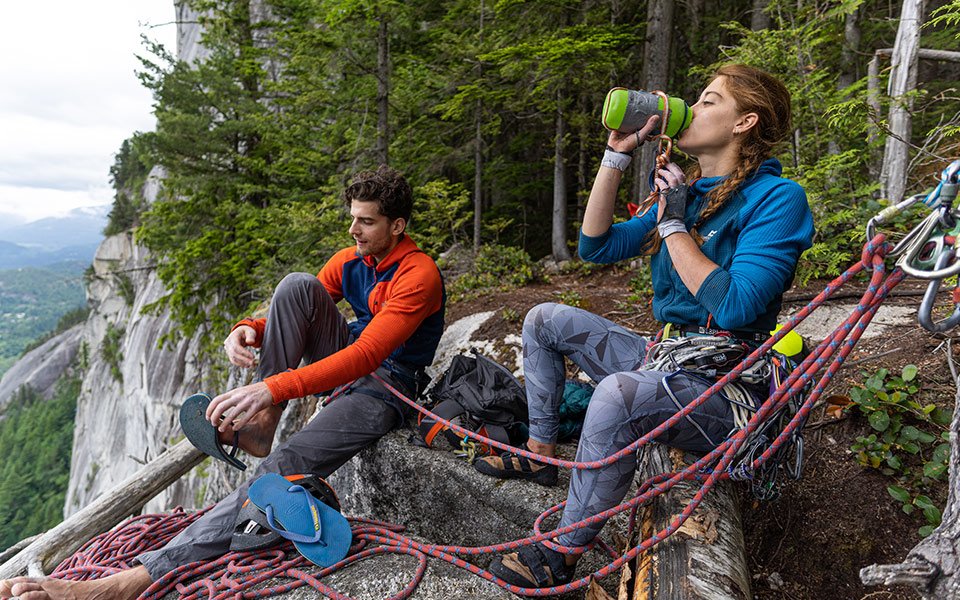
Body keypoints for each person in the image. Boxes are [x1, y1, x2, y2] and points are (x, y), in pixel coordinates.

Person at [0, 165, 446, 600]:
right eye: (352, 217)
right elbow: (301, 312)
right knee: (296, 286)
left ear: (397, 226)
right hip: (345, 358)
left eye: (366, 221)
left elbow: (367, 355)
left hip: (385, 386)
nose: (353, 229)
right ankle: (261, 426)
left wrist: (272, 387)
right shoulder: (354, 260)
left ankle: (132, 580)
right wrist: (248, 328)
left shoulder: (418, 275)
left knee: (281, 470)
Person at [475, 64, 815, 589]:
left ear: (744, 122)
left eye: (708, 101)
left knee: (616, 395)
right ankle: (541, 454)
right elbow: (596, 246)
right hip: (667, 357)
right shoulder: (687, 191)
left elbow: (735, 306)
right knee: (544, 319)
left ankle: (562, 552)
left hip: (727, 386)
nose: (691, 109)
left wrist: (674, 225)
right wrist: (617, 155)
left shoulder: (778, 199)